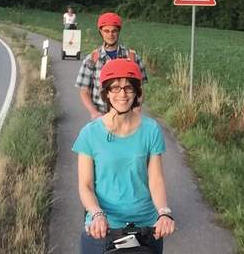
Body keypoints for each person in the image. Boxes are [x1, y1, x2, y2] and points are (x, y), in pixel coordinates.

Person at [72, 59, 176, 254]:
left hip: (145, 225)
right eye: (115, 88)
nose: (122, 94)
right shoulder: (89, 133)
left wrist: (164, 213)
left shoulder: (151, 129)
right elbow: (85, 185)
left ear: (136, 92)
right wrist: (97, 214)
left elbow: (156, 179)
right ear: (106, 93)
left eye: (128, 88)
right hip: (103, 225)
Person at [75, 12, 147, 120]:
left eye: (114, 31)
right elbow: (84, 91)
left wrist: (136, 109)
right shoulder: (91, 60)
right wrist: (93, 112)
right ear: (101, 32)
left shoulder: (132, 57)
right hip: (101, 116)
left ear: (118, 32)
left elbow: (140, 88)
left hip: (127, 116)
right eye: (106, 31)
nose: (110, 35)